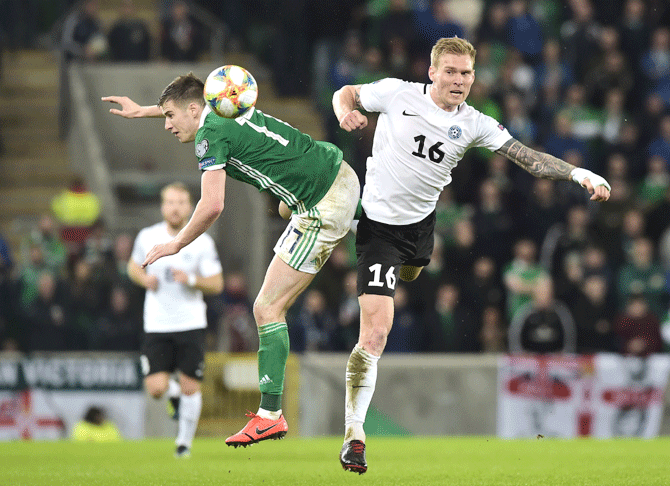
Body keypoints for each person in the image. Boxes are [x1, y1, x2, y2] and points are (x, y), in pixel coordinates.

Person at [332, 36, 611, 474]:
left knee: (411, 276)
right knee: (376, 332)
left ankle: (347, 229)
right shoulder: (396, 93)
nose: (459, 81)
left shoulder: (476, 122)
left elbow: (527, 158)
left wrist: (579, 173)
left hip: (421, 231)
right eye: (451, 72)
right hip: (379, 229)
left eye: (466, 74)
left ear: (474, 77)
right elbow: (345, 93)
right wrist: (344, 112)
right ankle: (354, 434)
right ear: (432, 72)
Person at [102, 72, 360, 448]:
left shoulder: (210, 136)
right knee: (285, 207)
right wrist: (143, 111)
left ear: (194, 110)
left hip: (322, 204)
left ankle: (270, 415)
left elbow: (212, 205)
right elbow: (186, 102)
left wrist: (175, 243)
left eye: (170, 116)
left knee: (267, 308)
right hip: (339, 172)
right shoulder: (226, 104)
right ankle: (388, 229)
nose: (168, 124)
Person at [126, 182, 223, 458]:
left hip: (190, 322)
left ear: (190, 206)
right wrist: (144, 279)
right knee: (155, 388)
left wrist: (190, 279)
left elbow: (217, 284)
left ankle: (183, 445)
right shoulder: (147, 236)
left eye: (181, 202)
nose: (175, 207)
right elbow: (132, 266)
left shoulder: (202, 241)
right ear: (162, 206)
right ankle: (175, 397)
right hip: (157, 323)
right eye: (170, 202)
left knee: (191, 385)